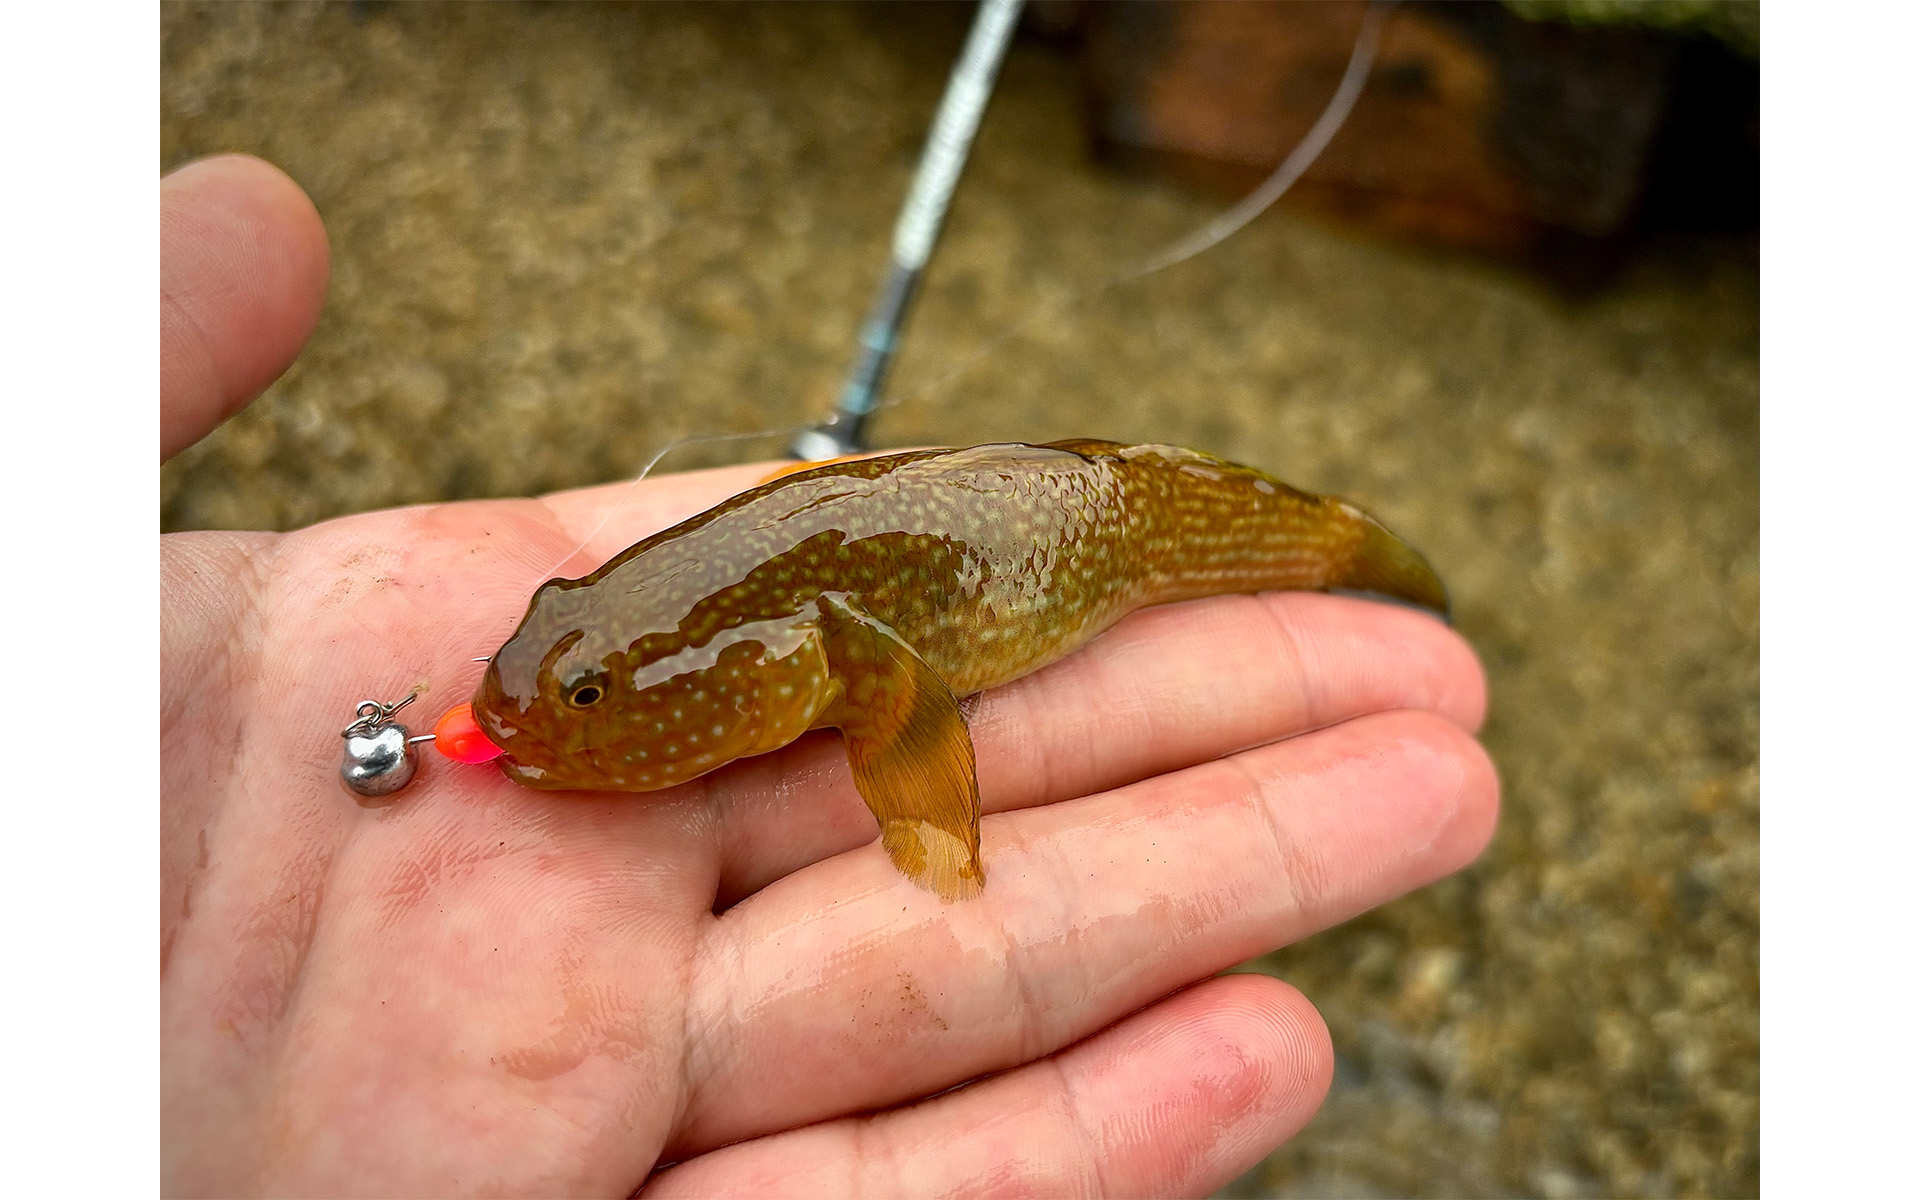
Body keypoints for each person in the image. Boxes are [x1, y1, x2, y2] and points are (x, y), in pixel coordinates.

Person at [161, 154, 1497, 1198]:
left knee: (1286, 572)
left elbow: (894, 696)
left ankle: (1354, 554)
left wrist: (929, 815)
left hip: (1104, 520)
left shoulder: (828, 650)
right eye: (575, 674)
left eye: (588, 697)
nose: (532, 711)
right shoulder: (730, 634)